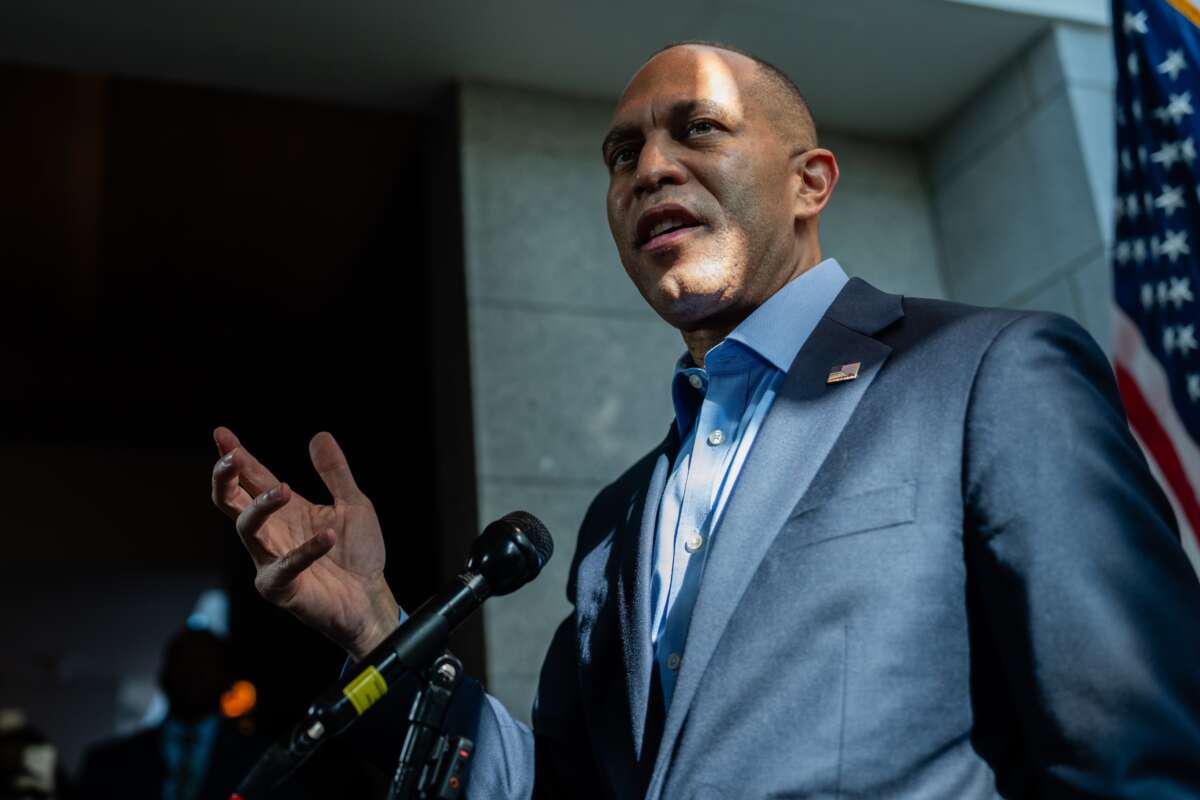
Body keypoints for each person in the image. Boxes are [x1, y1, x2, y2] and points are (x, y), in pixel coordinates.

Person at [210, 41, 1200, 798]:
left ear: (810, 182)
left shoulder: (991, 371)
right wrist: (378, 625)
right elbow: (553, 782)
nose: (648, 167)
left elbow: (1138, 751)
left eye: (698, 130)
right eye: (621, 152)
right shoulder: (615, 524)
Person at [76, 628, 294, 800]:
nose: (193, 676)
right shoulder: (108, 765)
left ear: (225, 678)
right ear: (164, 675)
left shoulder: (265, 763)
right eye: (184, 663)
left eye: (204, 665)